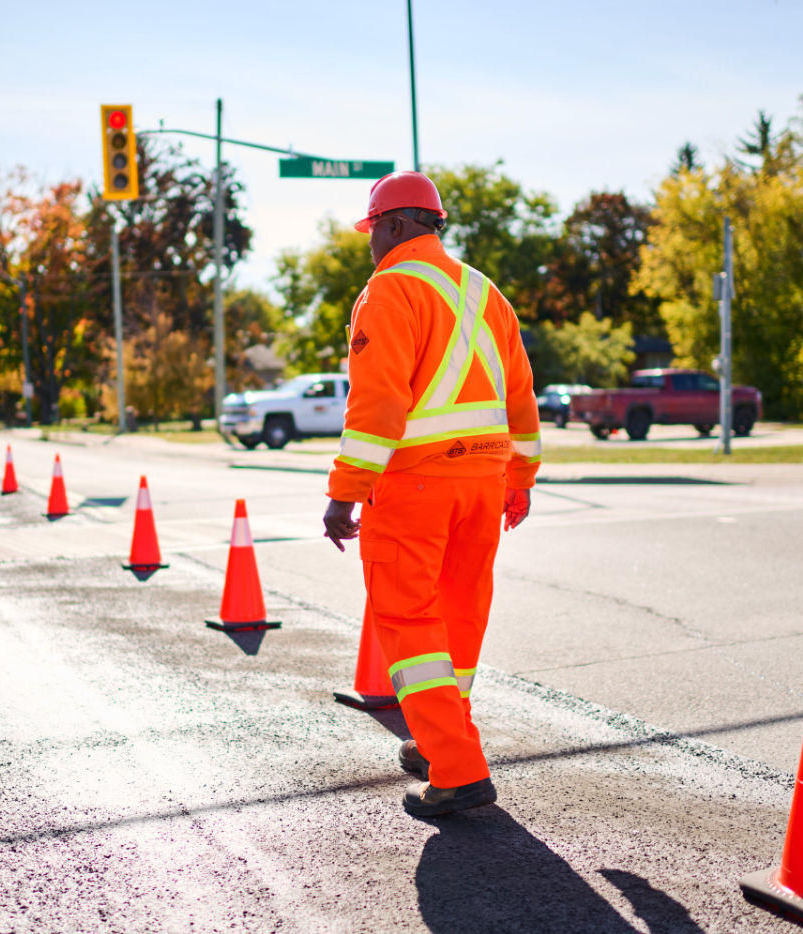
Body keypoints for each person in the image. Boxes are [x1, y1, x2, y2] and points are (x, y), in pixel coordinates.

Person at [322, 171, 541, 817]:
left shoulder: (389, 290)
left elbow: (379, 403)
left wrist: (345, 493)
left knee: (410, 622)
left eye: (372, 232)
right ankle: (439, 737)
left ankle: (458, 768)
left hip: (417, 485)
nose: (371, 245)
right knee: (459, 615)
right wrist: (520, 481)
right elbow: (521, 397)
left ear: (391, 226)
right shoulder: (485, 292)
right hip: (482, 482)